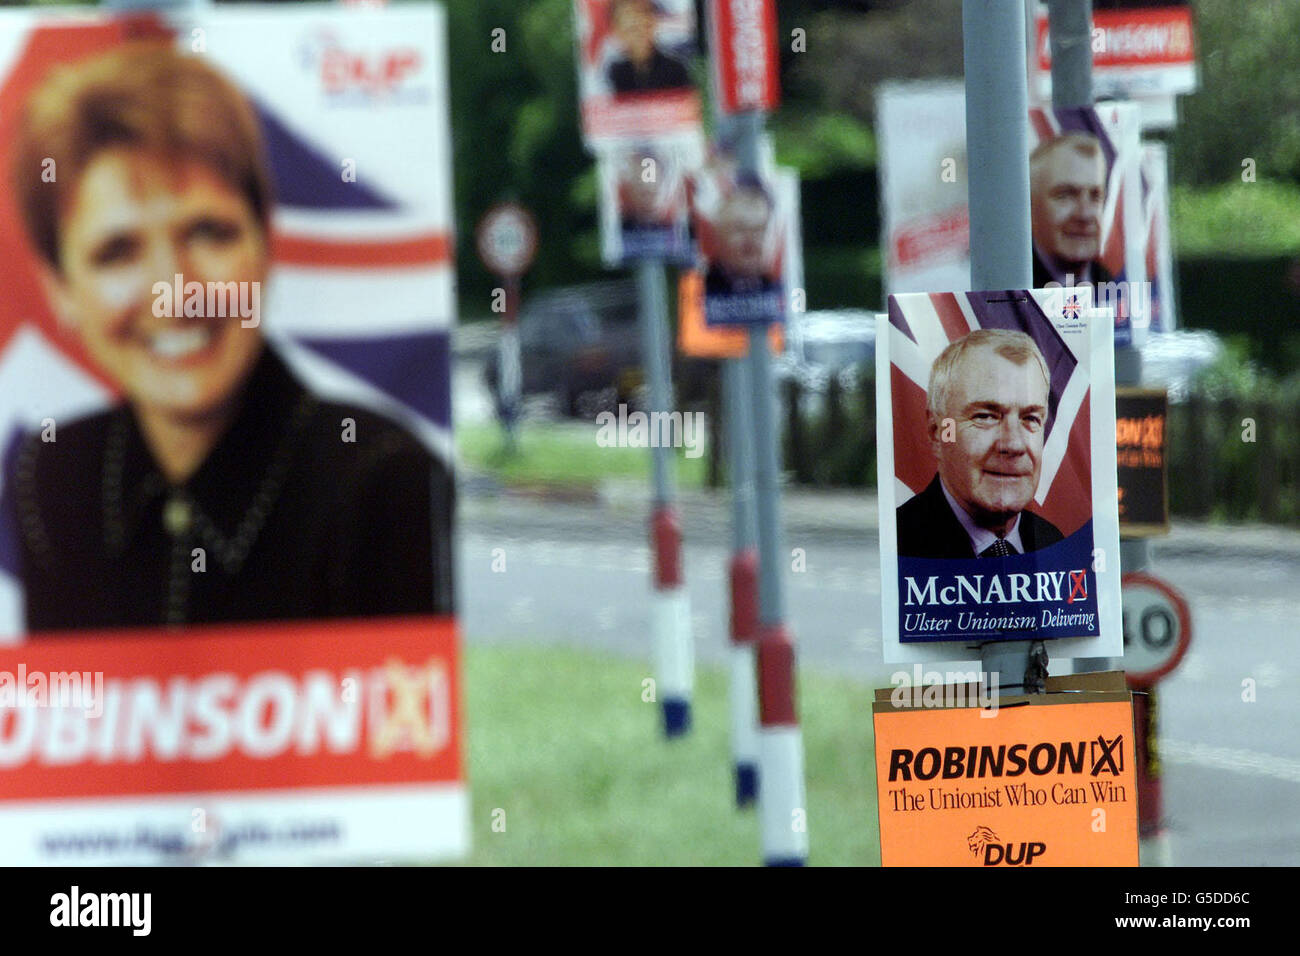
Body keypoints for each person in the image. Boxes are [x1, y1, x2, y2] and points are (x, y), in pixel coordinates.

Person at [8, 43, 453, 632]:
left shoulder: (384, 479)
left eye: (208, 232)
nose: (174, 289)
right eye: (118, 251)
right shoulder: (51, 475)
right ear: (62, 289)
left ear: (266, 246)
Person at [896, 329, 1064, 559]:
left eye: (1030, 418)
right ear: (939, 432)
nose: (1014, 445)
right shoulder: (900, 543)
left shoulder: (1053, 542)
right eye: (985, 416)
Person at [1029, 132, 1114, 289]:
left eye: (1095, 196)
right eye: (1065, 195)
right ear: (1031, 205)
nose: (1085, 214)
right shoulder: (1011, 293)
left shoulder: (1115, 285)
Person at [703, 174, 778, 296]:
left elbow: (798, 307)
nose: (750, 239)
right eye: (740, 229)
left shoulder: (780, 283)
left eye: (759, 229)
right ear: (718, 234)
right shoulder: (700, 285)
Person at [605, 0, 690, 95]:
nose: (639, 36)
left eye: (644, 26)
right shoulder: (615, 72)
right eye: (633, 30)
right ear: (618, 32)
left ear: (653, 23)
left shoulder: (675, 69)